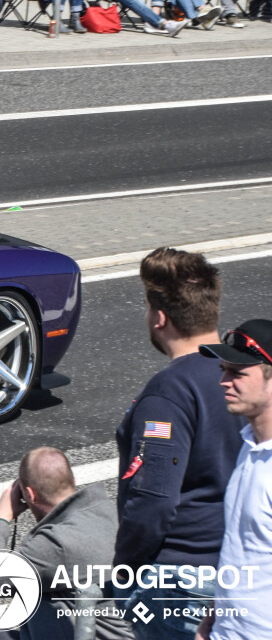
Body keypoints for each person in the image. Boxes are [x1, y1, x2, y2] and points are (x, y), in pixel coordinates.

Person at [115, 247, 243, 640]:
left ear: (159, 318)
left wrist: (124, 568)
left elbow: (154, 499)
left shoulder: (168, 393)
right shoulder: (249, 380)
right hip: (236, 570)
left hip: (180, 582)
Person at [0, 447, 132, 640]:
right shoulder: (110, 511)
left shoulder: (55, 544)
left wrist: (0, 517)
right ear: (72, 482)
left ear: (29, 495)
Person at [196, 319, 272, 640]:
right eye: (224, 370)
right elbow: (240, 550)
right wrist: (210, 621)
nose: (224, 382)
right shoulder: (248, 445)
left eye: (237, 373)